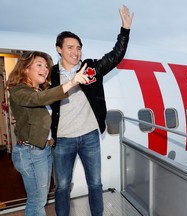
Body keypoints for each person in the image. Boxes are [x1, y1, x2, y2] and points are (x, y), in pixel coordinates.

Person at [50, 5, 134, 216]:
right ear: (59, 49)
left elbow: (116, 56)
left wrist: (125, 30)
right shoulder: (50, 75)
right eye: (70, 47)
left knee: (95, 183)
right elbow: (35, 99)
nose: (75, 52)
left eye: (78, 47)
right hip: (63, 139)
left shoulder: (90, 69)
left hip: (89, 137)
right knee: (62, 186)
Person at [7, 51, 89, 216]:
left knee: (38, 199)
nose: (45, 69)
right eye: (39, 65)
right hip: (31, 153)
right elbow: (37, 100)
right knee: (37, 202)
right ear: (25, 69)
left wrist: (50, 139)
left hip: (42, 150)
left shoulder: (38, 91)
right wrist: (72, 82)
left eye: (46, 66)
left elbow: (40, 116)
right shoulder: (19, 90)